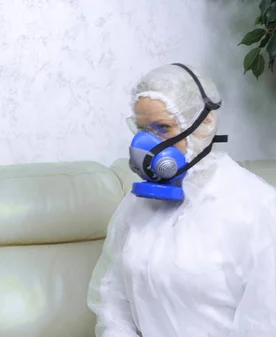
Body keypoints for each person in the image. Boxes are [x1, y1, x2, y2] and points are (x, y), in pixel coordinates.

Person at [87, 63, 276, 336]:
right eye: (142, 129)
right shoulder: (136, 204)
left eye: (163, 127)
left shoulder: (257, 209)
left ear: (205, 123)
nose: (148, 145)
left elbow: (264, 323)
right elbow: (112, 298)